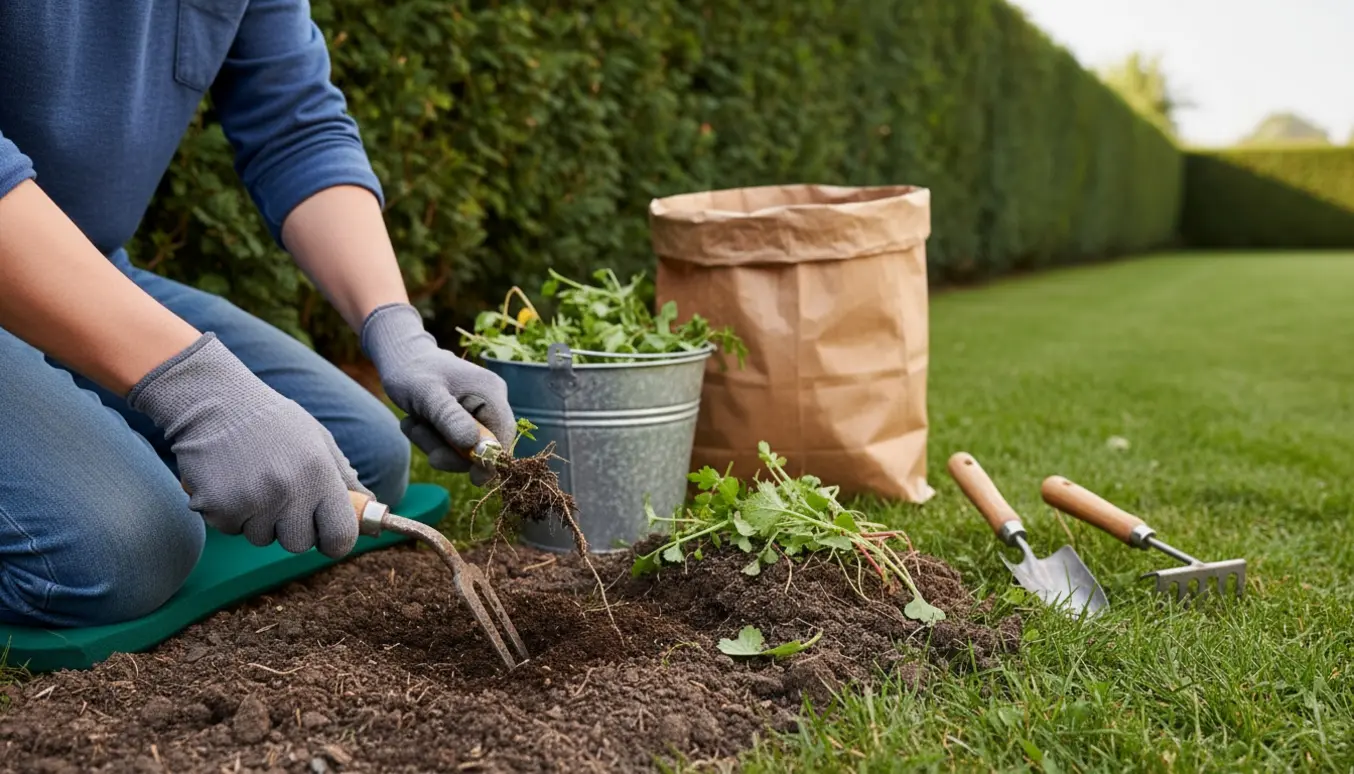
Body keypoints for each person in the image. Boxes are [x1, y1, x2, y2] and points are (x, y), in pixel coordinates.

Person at [0, 1, 516, 629]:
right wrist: (199, 393)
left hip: (87, 270)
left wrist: (396, 330)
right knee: (122, 553)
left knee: (362, 457)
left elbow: (294, 128)